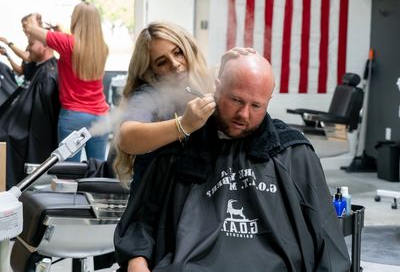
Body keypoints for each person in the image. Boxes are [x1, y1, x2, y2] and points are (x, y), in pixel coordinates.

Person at [114, 51, 351, 271]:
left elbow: (328, 242)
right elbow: (140, 227)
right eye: (236, 100)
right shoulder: (179, 148)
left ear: (269, 100)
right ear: (216, 89)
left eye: (256, 105)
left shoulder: (293, 152)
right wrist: (137, 263)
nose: (244, 114)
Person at [113, 21, 216, 185]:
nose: (175, 64)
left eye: (178, 53)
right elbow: (127, 137)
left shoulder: (209, 84)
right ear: (150, 71)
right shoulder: (149, 96)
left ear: (189, 49)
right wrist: (183, 125)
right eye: (162, 62)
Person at [25, 2, 110, 162]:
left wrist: (34, 18)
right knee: (98, 173)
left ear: (76, 20)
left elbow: (30, 28)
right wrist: (58, 32)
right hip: (101, 116)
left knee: (68, 177)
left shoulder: (68, 42)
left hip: (74, 116)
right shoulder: (102, 48)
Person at [0, 35, 60, 189]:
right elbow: (22, 69)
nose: (27, 49)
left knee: (6, 135)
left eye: (31, 44)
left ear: (45, 46)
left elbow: (40, 122)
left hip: (28, 131)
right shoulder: (37, 68)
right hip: (20, 121)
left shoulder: (48, 74)